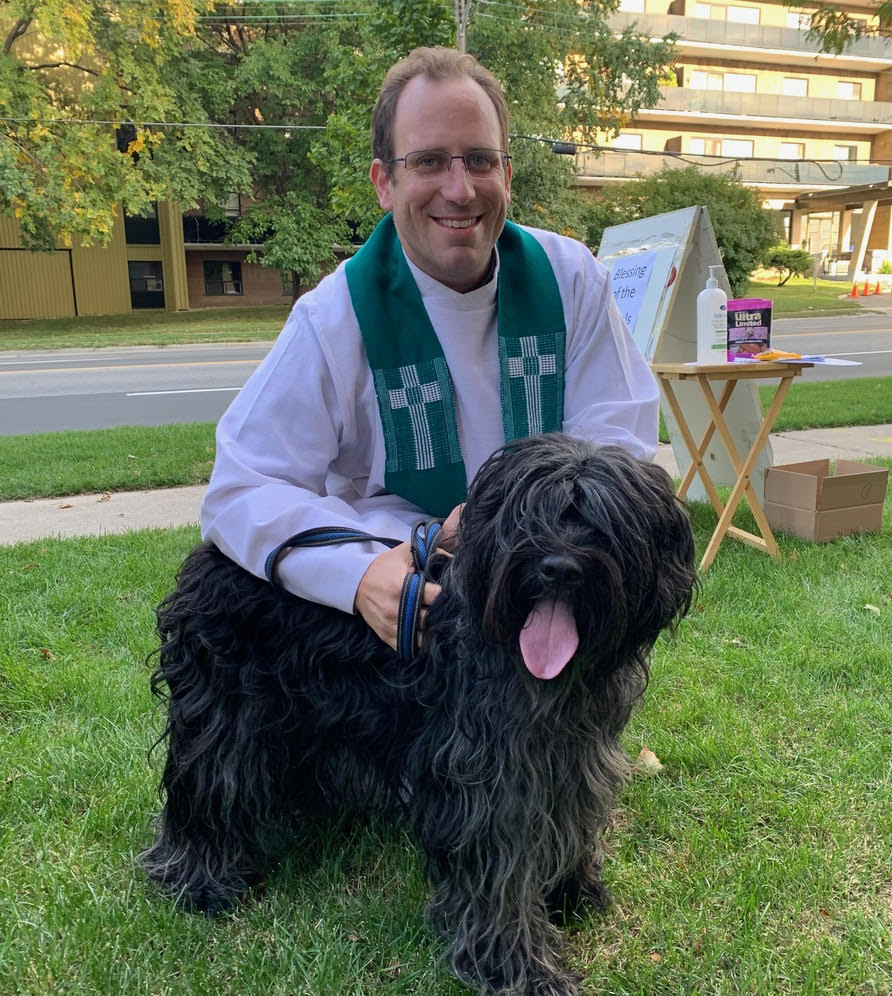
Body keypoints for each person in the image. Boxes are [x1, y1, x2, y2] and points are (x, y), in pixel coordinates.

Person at [199, 45, 660, 652]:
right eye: (429, 162)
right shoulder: (335, 316)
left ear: (508, 175)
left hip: (545, 564)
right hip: (405, 596)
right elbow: (242, 488)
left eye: (479, 160)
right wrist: (357, 575)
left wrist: (512, 522)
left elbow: (618, 446)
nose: (461, 189)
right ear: (384, 182)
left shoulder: (572, 280)